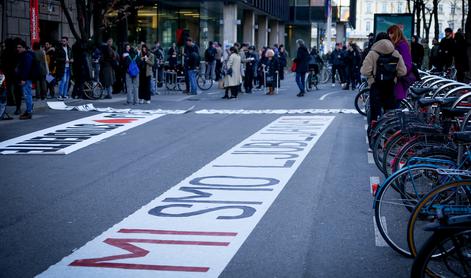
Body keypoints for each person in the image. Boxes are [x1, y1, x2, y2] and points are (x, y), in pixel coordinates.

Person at [360, 32, 407, 125]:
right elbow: (403, 71)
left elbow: (364, 71)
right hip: (390, 86)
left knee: (374, 112)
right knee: (389, 113)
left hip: (376, 86)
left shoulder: (372, 53)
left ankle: (374, 131)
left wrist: (371, 79)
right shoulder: (395, 53)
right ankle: (389, 134)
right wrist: (394, 77)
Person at [388, 25, 414, 102]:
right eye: (389, 33)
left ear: (396, 34)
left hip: (399, 79)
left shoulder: (401, 45)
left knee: (394, 107)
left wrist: (397, 72)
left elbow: (407, 64)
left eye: (391, 33)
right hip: (396, 78)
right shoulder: (398, 45)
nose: (389, 35)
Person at [15, 40, 34, 119]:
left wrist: (23, 79)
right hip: (26, 78)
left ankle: (29, 112)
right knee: (27, 95)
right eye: (17, 47)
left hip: (26, 79)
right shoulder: (24, 55)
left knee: (27, 95)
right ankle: (28, 111)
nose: (18, 49)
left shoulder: (26, 55)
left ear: (24, 48)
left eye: (19, 47)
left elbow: (26, 68)